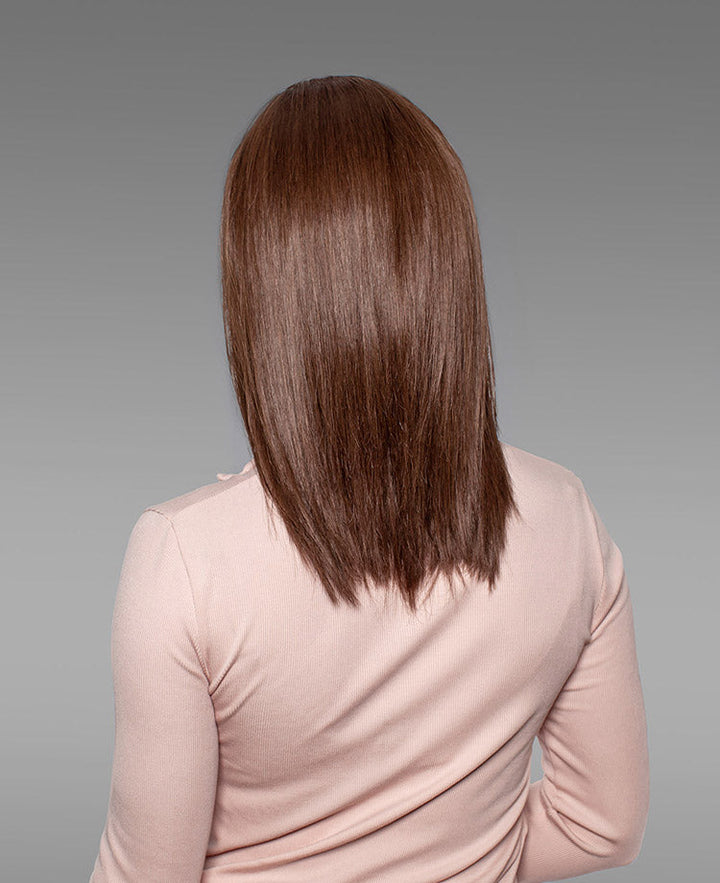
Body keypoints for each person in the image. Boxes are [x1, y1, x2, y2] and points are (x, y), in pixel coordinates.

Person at [89, 75, 649, 882]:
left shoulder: (182, 557)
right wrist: (456, 846)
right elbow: (603, 825)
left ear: (261, 290)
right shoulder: (564, 516)